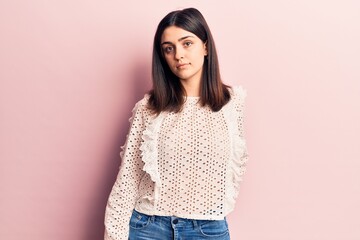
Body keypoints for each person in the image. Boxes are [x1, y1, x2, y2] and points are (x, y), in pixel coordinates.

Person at [104, 7, 249, 240]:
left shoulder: (232, 105)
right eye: (168, 49)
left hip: (208, 229)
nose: (178, 55)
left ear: (205, 46)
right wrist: (114, 234)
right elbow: (129, 177)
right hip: (148, 227)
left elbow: (232, 173)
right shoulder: (149, 108)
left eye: (187, 43)